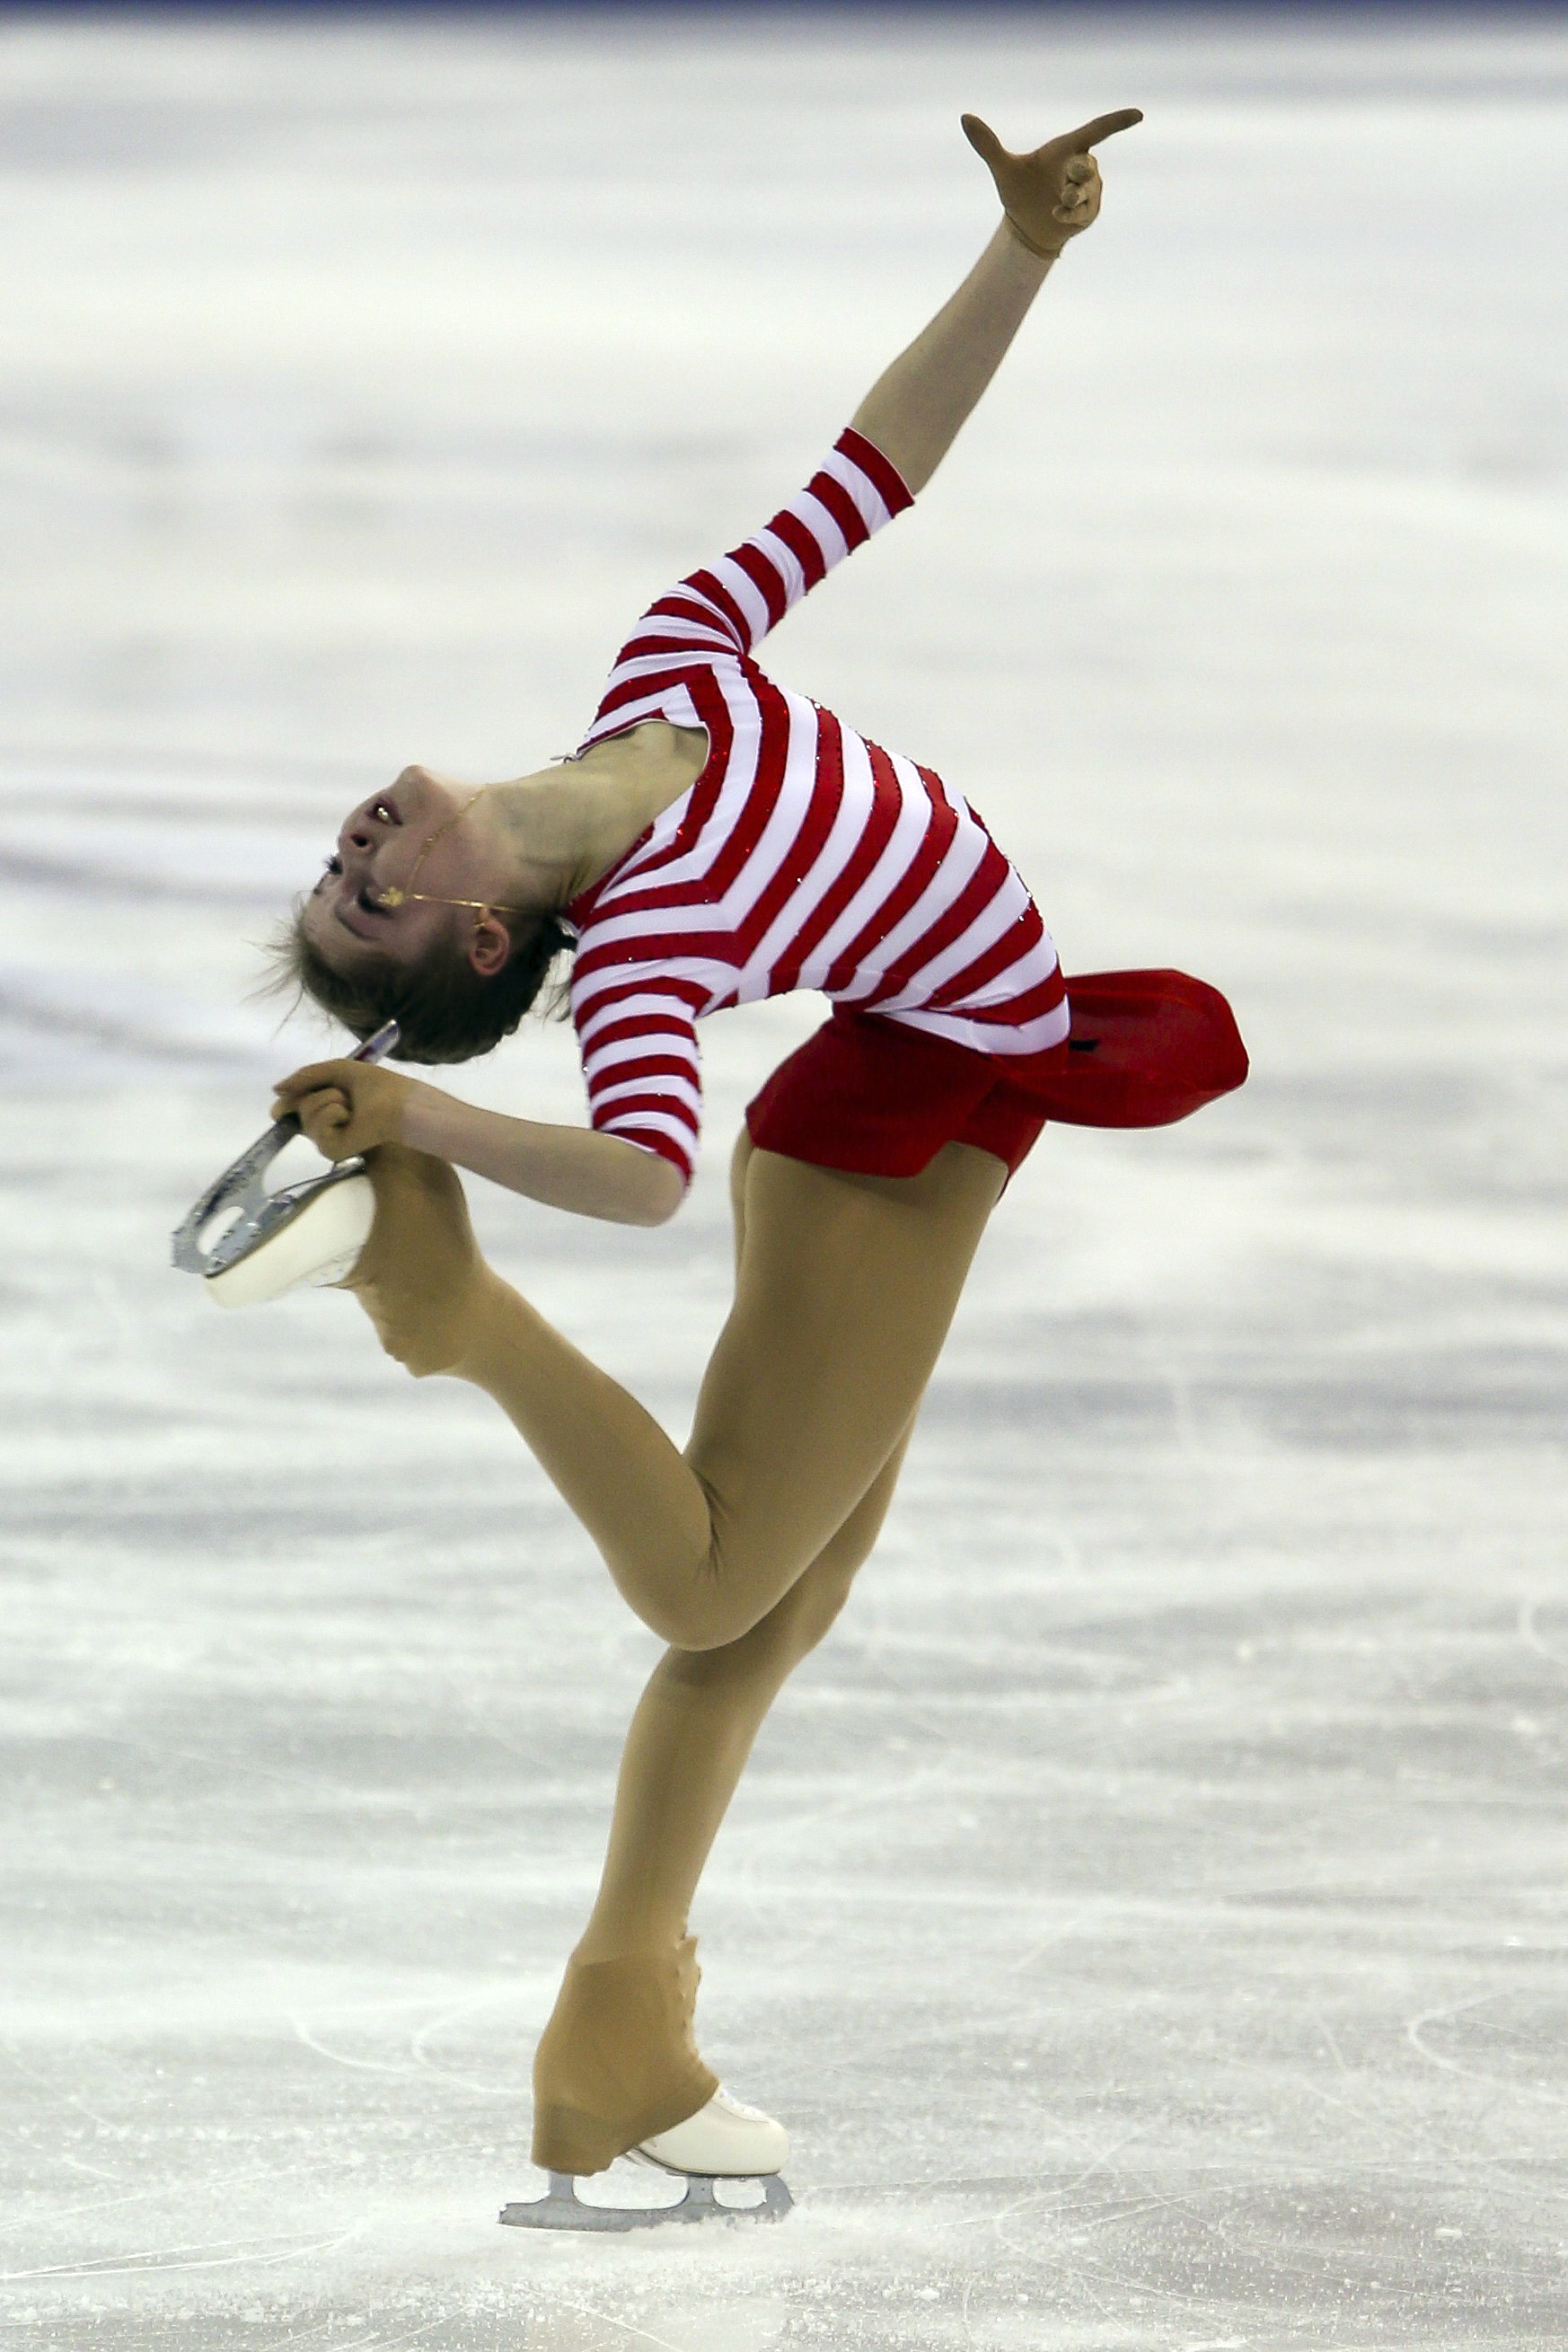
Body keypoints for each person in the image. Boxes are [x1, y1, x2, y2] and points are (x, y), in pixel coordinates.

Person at [268, 107, 1166, 2201]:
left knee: (783, 1597)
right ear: (487, 936)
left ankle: (624, 2026)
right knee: (715, 1573)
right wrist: (426, 1136)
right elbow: (647, 1169)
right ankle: (452, 1312)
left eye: (342, 860)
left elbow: (878, 467)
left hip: (917, 1093)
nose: (360, 841)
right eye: (366, 896)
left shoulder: (666, 666)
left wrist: (1026, 249)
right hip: (888, 1136)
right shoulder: (646, 941)